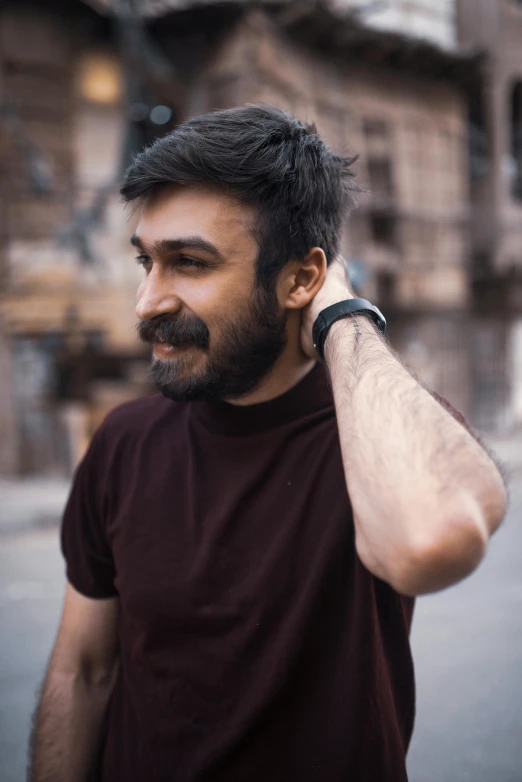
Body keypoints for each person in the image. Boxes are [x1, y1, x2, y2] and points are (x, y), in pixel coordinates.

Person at [29, 105, 507, 782]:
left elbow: (428, 542)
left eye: (189, 263)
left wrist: (342, 312)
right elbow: (84, 670)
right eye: (147, 261)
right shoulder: (124, 442)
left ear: (301, 278)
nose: (147, 301)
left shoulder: (380, 436)